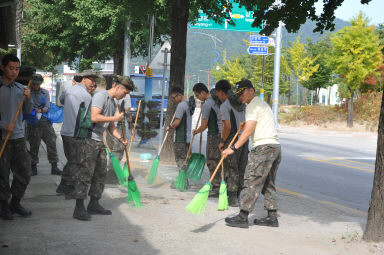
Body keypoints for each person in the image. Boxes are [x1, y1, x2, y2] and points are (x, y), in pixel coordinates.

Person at [71, 75, 132, 221]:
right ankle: (79, 208)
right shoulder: (101, 96)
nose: (124, 96)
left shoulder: (112, 102)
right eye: (125, 93)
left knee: (101, 173)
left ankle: (94, 203)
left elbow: (111, 127)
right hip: (88, 139)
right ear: (118, 87)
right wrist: (115, 118)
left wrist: (121, 138)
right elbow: (94, 117)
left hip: (99, 141)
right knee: (85, 173)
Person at [223, 79, 282, 228]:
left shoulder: (253, 106)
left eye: (242, 93)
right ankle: (272, 216)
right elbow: (253, 126)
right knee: (267, 183)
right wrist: (246, 126)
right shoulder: (261, 105)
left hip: (263, 148)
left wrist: (233, 148)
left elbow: (249, 131)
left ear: (251, 90)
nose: (241, 97)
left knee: (251, 180)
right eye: (239, 94)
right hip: (274, 147)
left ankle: (243, 216)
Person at [0, 54, 33, 220]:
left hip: (18, 138)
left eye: (17, 69)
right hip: (2, 138)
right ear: (3, 68)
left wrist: (28, 98)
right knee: (2, 175)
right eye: (11, 68)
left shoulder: (21, 89)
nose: (14, 72)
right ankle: (4, 205)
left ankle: (16, 202)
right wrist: (3, 124)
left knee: (24, 172)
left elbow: (27, 112)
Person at [56, 70, 97, 198]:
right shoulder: (87, 96)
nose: (93, 83)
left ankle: (63, 186)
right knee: (76, 162)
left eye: (95, 81)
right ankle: (70, 188)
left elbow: (61, 101)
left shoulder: (69, 90)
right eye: (91, 80)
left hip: (65, 131)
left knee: (72, 160)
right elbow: (88, 118)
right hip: (77, 133)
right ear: (83, 79)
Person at [215, 80, 249, 207]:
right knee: (241, 168)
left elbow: (227, 127)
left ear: (221, 92)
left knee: (232, 168)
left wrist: (222, 141)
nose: (217, 95)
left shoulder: (225, 105)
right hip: (244, 140)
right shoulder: (242, 103)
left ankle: (232, 197)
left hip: (233, 141)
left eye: (217, 92)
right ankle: (240, 195)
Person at [26, 74, 62, 176]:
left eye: (37, 84)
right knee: (34, 146)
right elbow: (27, 106)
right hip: (33, 123)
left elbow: (47, 106)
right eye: (34, 84)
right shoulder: (29, 93)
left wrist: (40, 110)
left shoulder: (45, 93)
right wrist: (34, 109)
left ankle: (54, 167)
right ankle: (33, 168)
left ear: (40, 83)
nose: (36, 86)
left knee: (52, 143)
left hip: (45, 122)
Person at [192, 83, 221, 196]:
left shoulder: (207, 105)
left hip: (214, 135)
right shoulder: (216, 101)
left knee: (212, 161)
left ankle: (216, 186)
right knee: (219, 160)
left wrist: (196, 131)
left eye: (198, 95)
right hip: (221, 134)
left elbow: (204, 126)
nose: (198, 98)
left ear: (203, 92)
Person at [105, 75, 135, 184]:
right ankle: (111, 175)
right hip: (115, 126)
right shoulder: (111, 97)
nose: (125, 95)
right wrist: (131, 126)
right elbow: (127, 111)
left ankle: (111, 174)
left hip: (113, 126)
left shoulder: (113, 96)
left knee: (114, 150)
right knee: (117, 150)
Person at [166, 87, 192, 170]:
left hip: (180, 138)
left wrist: (169, 126)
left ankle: (183, 182)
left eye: (174, 97)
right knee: (185, 161)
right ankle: (184, 180)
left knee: (180, 161)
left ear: (180, 95)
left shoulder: (181, 105)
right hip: (188, 139)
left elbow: (177, 122)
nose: (173, 100)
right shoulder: (189, 103)